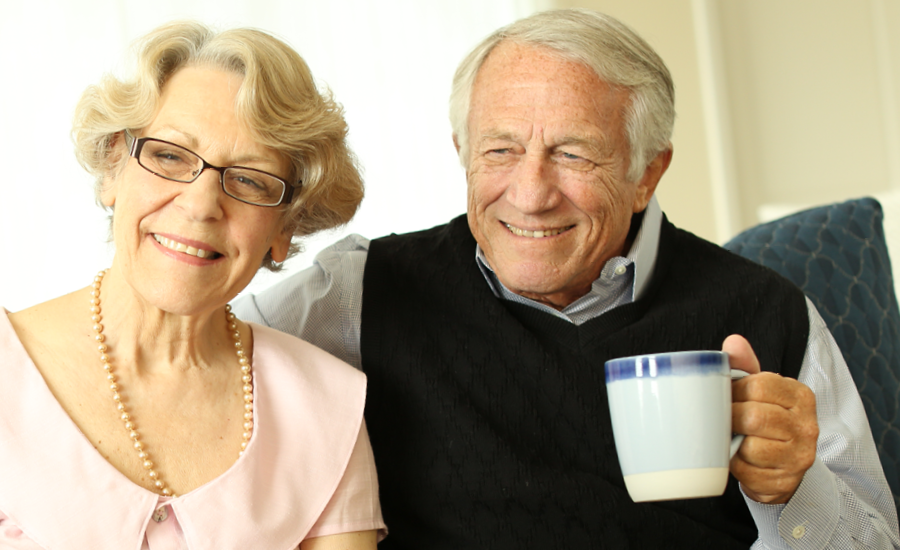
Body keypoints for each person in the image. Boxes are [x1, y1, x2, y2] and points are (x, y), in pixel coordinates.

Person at [233, 8, 899, 549]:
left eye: (571, 153)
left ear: (647, 173)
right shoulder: (358, 294)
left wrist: (796, 490)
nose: (530, 193)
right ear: (462, 153)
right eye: (501, 149)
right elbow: (185, 350)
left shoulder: (768, 311)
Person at [0, 21, 386, 549]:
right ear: (114, 167)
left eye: (249, 179)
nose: (201, 205)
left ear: (285, 228)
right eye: (169, 155)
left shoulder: (329, 409)